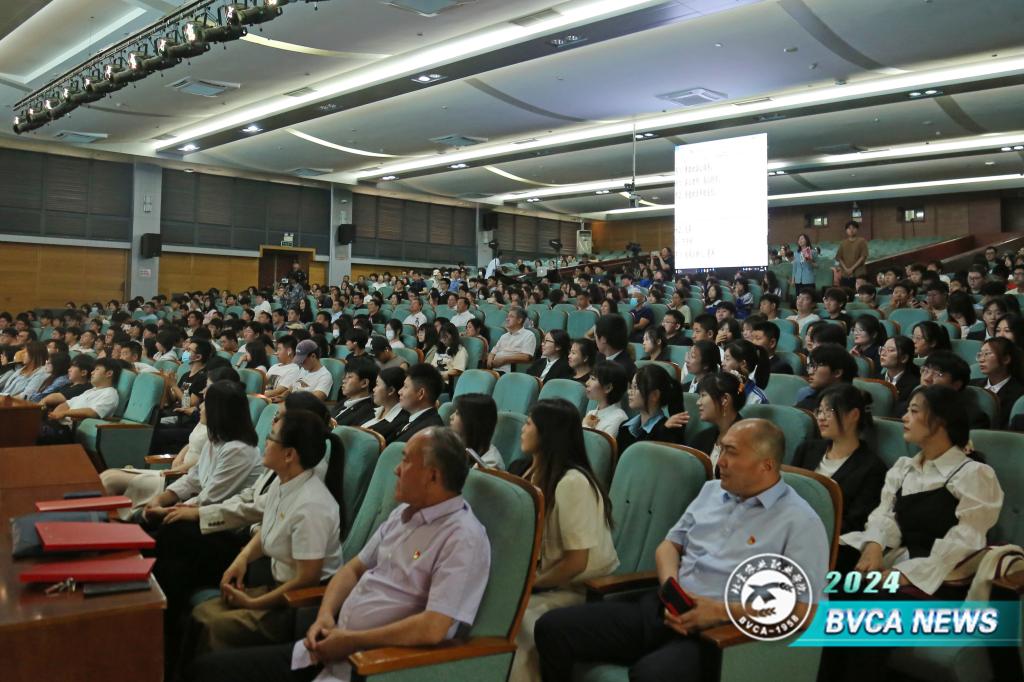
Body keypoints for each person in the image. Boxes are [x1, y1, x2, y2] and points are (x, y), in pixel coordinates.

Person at [535, 419, 829, 682]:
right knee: (553, 628)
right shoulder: (712, 491)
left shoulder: (799, 521)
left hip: (718, 635)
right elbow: (669, 546)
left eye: (732, 453)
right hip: (665, 606)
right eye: (721, 450)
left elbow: (809, 611)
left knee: (651, 674)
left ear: (766, 465)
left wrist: (721, 612)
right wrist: (671, 587)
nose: (721, 462)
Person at [189, 427, 490, 682]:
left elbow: (434, 627)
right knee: (206, 669)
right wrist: (324, 617)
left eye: (406, 461)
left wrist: (352, 641)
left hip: (370, 665)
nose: (397, 470)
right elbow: (353, 570)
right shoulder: (403, 516)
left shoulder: (462, 537)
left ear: (432, 476)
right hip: (327, 645)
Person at [188, 410, 344, 654]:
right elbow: (268, 528)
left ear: (289, 454)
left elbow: (307, 580)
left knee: (212, 624)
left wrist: (254, 603)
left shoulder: (312, 506)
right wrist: (242, 559)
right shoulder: (284, 483)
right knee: (200, 612)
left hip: (296, 608)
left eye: (271, 437)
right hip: (274, 589)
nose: (265, 442)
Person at [841, 385, 1003, 595]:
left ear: (941, 420)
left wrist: (903, 575)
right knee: (834, 558)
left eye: (914, 411)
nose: (904, 418)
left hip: (938, 574)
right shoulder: (904, 467)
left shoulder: (973, 474)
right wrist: (874, 545)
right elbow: (885, 513)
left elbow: (966, 542)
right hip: (897, 553)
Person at [512, 399, 618, 682]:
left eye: (529, 423)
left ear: (547, 433)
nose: (522, 429)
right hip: (543, 580)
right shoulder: (530, 472)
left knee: (518, 620)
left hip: (576, 589)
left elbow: (576, 562)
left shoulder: (573, 483)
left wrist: (530, 585)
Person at [143, 381, 262, 527]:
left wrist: (169, 510)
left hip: (220, 523)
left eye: (206, 403)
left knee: (160, 525)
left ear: (219, 410)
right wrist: (160, 499)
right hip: (200, 512)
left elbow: (211, 498)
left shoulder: (239, 450)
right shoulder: (216, 439)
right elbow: (194, 478)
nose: (200, 406)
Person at [792, 384, 887, 543]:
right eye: (819, 411)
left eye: (829, 411)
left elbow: (855, 524)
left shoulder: (872, 468)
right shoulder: (807, 449)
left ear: (854, 415)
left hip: (828, 541)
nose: (821, 417)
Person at [37, 357, 121, 445]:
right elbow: (66, 404)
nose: (92, 372)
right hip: (58, 424)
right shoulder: (90, 391)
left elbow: (93, 412)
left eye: (97, 369)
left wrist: (64, 413)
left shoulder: (110, 393)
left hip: (69, 430)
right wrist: (55, 415)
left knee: (32, 432)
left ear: (109, 373)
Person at [687, 372, 746, 474]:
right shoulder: (701, 438)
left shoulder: (746, 443)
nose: (698, 402)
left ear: (725, 400)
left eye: (703, 395)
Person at [617, 364, 684, 451]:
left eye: (636, 387)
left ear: (655, 395)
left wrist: (662, 431)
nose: (629, 392)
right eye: (631, 387)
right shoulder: (625, 427)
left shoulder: (667, 430)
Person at [919, 350, 990, 429]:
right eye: (925, 370)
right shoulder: (915, 404)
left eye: (938, 374)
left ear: (956, 385)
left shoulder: (972, 418)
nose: (927, 378)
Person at [971, 336, 1024, 429]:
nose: (981, 359)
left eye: (987, 354)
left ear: (1006, 359)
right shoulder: (972, 385)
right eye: (980, 354)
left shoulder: (1019, 393)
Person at [387, 363, 445, 444]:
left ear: (420, 394)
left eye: (405, 387)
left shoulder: (429, 433)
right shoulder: (411, 419)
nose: (400, 392)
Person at [795, 343, 857, 411]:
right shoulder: (808, 402)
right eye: (811, 366)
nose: (810, 372)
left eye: (816, 366)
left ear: (837, 373)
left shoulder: (849, 406)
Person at [450, 393, 504, 469]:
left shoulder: (490, 463)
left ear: (470, 421)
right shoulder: (456, 446)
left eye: (457, 413)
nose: (451, 417)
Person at [582, 361, 629, 438]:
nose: (587, 383)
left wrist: (585, 426)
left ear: (608, 388)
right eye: (589, 378)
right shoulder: (592, 413)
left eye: (593, 379)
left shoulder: (618, 418)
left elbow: (600, 446)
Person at [879, 336, 920, 417]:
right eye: (883, 349)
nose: (883, 354)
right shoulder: (875, 379)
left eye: (890, 350)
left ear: (904, 358)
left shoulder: (914, 385)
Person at [487, 307, 536, 374]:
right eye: (507, 316)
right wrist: (489, 362)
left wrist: (504, 359)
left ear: (519, 320)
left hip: (509, 372)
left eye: (511, 316)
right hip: (493, 370)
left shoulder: (528, 335)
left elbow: (527, 357)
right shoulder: (504, 336)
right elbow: (493, 352)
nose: (507, 319)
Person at [362, 366, 406, 440]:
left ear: (391, 390)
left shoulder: (400, 422)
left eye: (377, 385)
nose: (373, 389)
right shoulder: (374, 411)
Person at [331, 358, 378, 427]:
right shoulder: (345, 401)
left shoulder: (366, 411)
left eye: (349, 377)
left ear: (364, 383)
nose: (344, 380)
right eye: (345, 376)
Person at [721, 339, 770, 404]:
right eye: (724, 358)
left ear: (743, 364)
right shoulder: (720, 389)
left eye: (727, 359)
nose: (722, 363)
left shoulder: (757, 399)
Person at [594, 314, 636, 381]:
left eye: (595, 336)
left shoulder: (623, 369)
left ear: (603, 339)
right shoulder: (599, 358)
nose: (595, 340)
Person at [835, 221, 868, 288]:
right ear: (846, 230)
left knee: (859, 291)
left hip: (859, 274)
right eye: (849, 228)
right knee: (844, 291)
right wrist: (846, 269)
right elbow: (839, 258)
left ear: (857, 229)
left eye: (853, 228)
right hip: (845, 274)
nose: (851, 230)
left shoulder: (862, 241)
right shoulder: (843, 243)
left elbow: (863, 257)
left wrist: (851, 269)